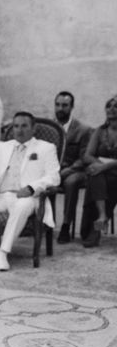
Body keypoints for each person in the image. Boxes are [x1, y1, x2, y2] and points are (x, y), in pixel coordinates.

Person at [0, 112, 60, 271]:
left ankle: (3, 252)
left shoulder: (46, 148)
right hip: (0, 195)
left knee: (22, 205)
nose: (19, 130)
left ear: (34, 129)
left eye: (24, 126)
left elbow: (53, 177)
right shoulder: (3, 147)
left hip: (28, 197)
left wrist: (31, 188)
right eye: (16, 126)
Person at [53, 91, 93, 243]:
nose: (60, 109)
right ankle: (39, 224)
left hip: (77, 171)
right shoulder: (49, 128)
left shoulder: (83, 130)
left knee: (71, 182)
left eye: (64, 105)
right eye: (57, 105)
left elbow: (84, 158)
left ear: (72, 107)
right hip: (54, 171)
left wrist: (65, 172)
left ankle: (65, 225)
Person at [79, 94, 117, 248]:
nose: (112, 109)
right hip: (103, 175)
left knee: (100, 174)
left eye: (116, 106)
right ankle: (101, 217)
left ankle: (99, 223)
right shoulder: (100, 131)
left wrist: (105, 165)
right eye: (109, 106)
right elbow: (87, 155)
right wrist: (99, 164)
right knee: (96, 174)